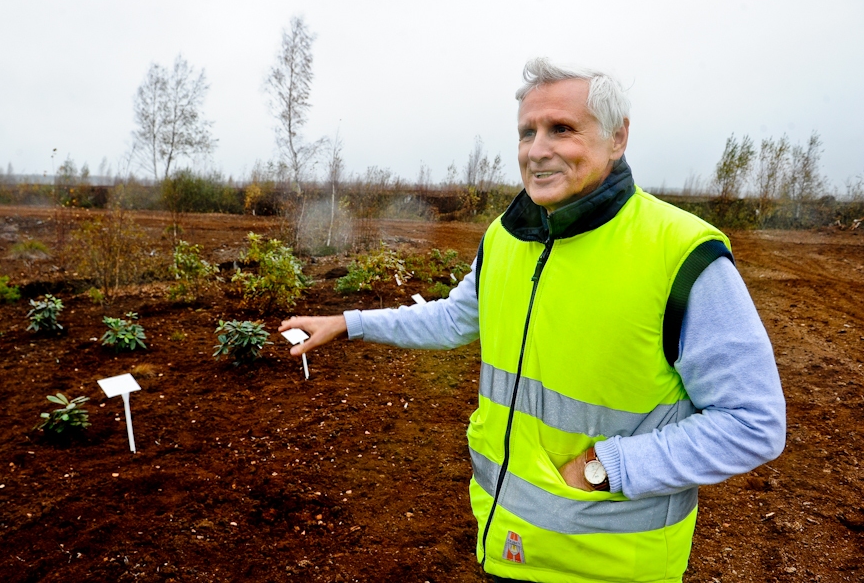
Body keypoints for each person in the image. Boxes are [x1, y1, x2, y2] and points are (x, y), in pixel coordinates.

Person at [280, 59, 786, 583]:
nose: (537, 150)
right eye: (527, 132)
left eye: (561, 129)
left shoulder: (681, 254)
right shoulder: (505, 238)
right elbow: (454, 318)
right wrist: (347, 321)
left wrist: (606, 468)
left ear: (618, 138)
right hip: (506, 542)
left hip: (612, 564)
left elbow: (754, 422)